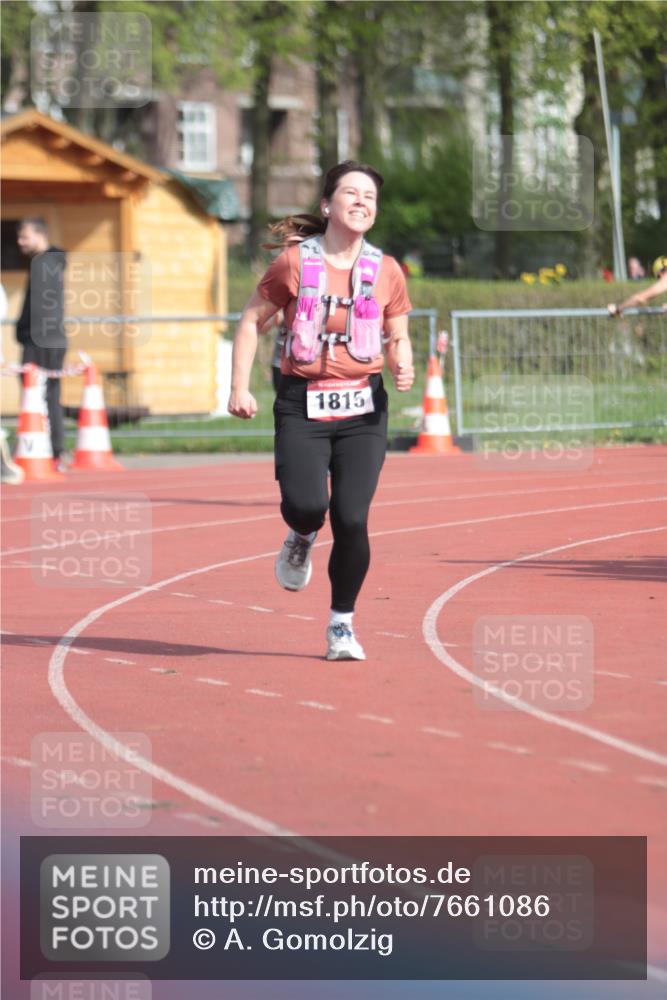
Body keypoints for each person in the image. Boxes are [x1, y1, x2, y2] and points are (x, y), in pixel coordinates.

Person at [228, 160, 414, 661]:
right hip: (302, 403)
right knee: (309, 505)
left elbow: (398, 333)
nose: (361, 202)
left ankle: (342, 626)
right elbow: (251, 320)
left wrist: (402, 362)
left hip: (363, 409)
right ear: (327, 205)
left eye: (369, 197)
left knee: (352, 517)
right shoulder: (294, 264)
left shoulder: (387, 270)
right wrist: (238, 387)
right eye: (350, 194)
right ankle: (302, 533)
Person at [15, 217, 68, 470]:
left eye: (24, 237)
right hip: (37, 337)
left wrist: (28, 331)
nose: (19, 242)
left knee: (45, 393)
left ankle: (53, 451)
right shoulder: (38, 263)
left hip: (45, 339)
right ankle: (41, 448)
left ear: (39, 235)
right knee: (36, 393)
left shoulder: (49, 261)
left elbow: (43, 306)